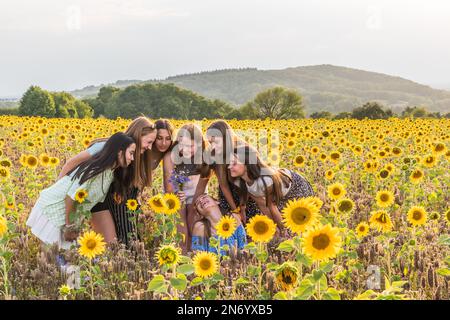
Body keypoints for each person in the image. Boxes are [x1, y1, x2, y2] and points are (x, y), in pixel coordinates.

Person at [57, 116, 156, 245]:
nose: (150, 147)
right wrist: (59, 190)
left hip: (107, 200)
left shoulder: (135, 155)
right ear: (138, 135)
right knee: (108, 244)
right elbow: (71, 163)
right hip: (96, 202)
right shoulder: (105, 147)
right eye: (149, 142)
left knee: (113, 246)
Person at [26, 132, 136, 249]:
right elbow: (70, 198)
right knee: (53, 261)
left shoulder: (109, 172)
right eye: (131, 153)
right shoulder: (96, 170)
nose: (132, 158)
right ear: (119, 152)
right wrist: (70, 227)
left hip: (67, 217)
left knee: (65, 261)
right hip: (54, 212)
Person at [228, 144, 314, 230]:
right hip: (279, 198)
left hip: (296, 189)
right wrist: (274, 227)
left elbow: (271, 206)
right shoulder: (244, 182)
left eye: (234, 163)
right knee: (283, 224)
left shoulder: (265, 180)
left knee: (300, 223)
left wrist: (283, 231)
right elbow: (262, 205)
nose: (229, 166)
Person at [205, 120, 259, 223]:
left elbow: (251, 180)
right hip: (229, 195)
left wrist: (243, 207)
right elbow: (224, 185)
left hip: (250, 193)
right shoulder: (215, 154)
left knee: (253, 223)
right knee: (232, 224)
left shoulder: (243, 150)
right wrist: (236, 210)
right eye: (210, 142)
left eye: (215, 142)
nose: (213, 146)